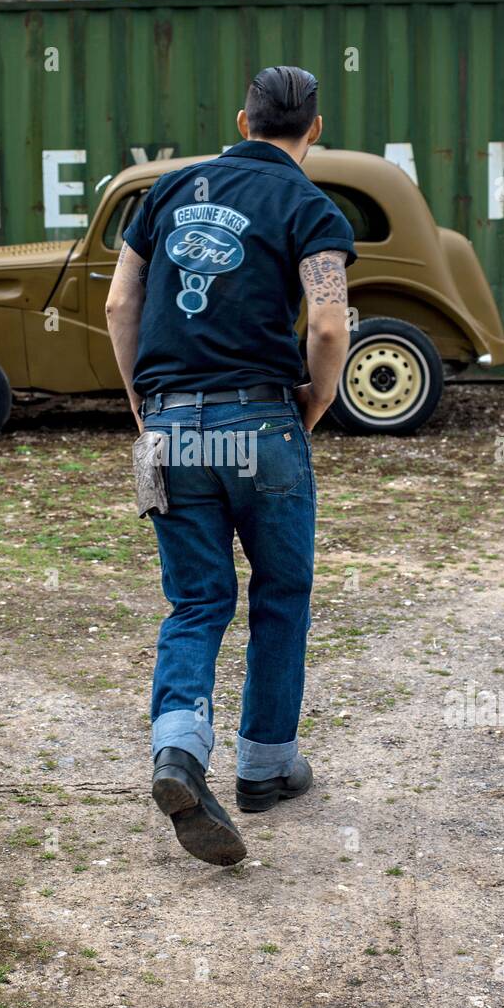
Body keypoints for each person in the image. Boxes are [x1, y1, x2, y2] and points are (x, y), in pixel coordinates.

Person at [106, 66, 355, 865]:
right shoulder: (312, 208)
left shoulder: (169, 190)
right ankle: (264, 765)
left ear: (242, 119)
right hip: (262, 423)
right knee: (280, 593)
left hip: (173, 429)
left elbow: (119, 305)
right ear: (313, 130)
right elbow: (326, 326)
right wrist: (312, 406)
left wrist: (145, 403)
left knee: (196, 601)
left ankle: (178, 753)